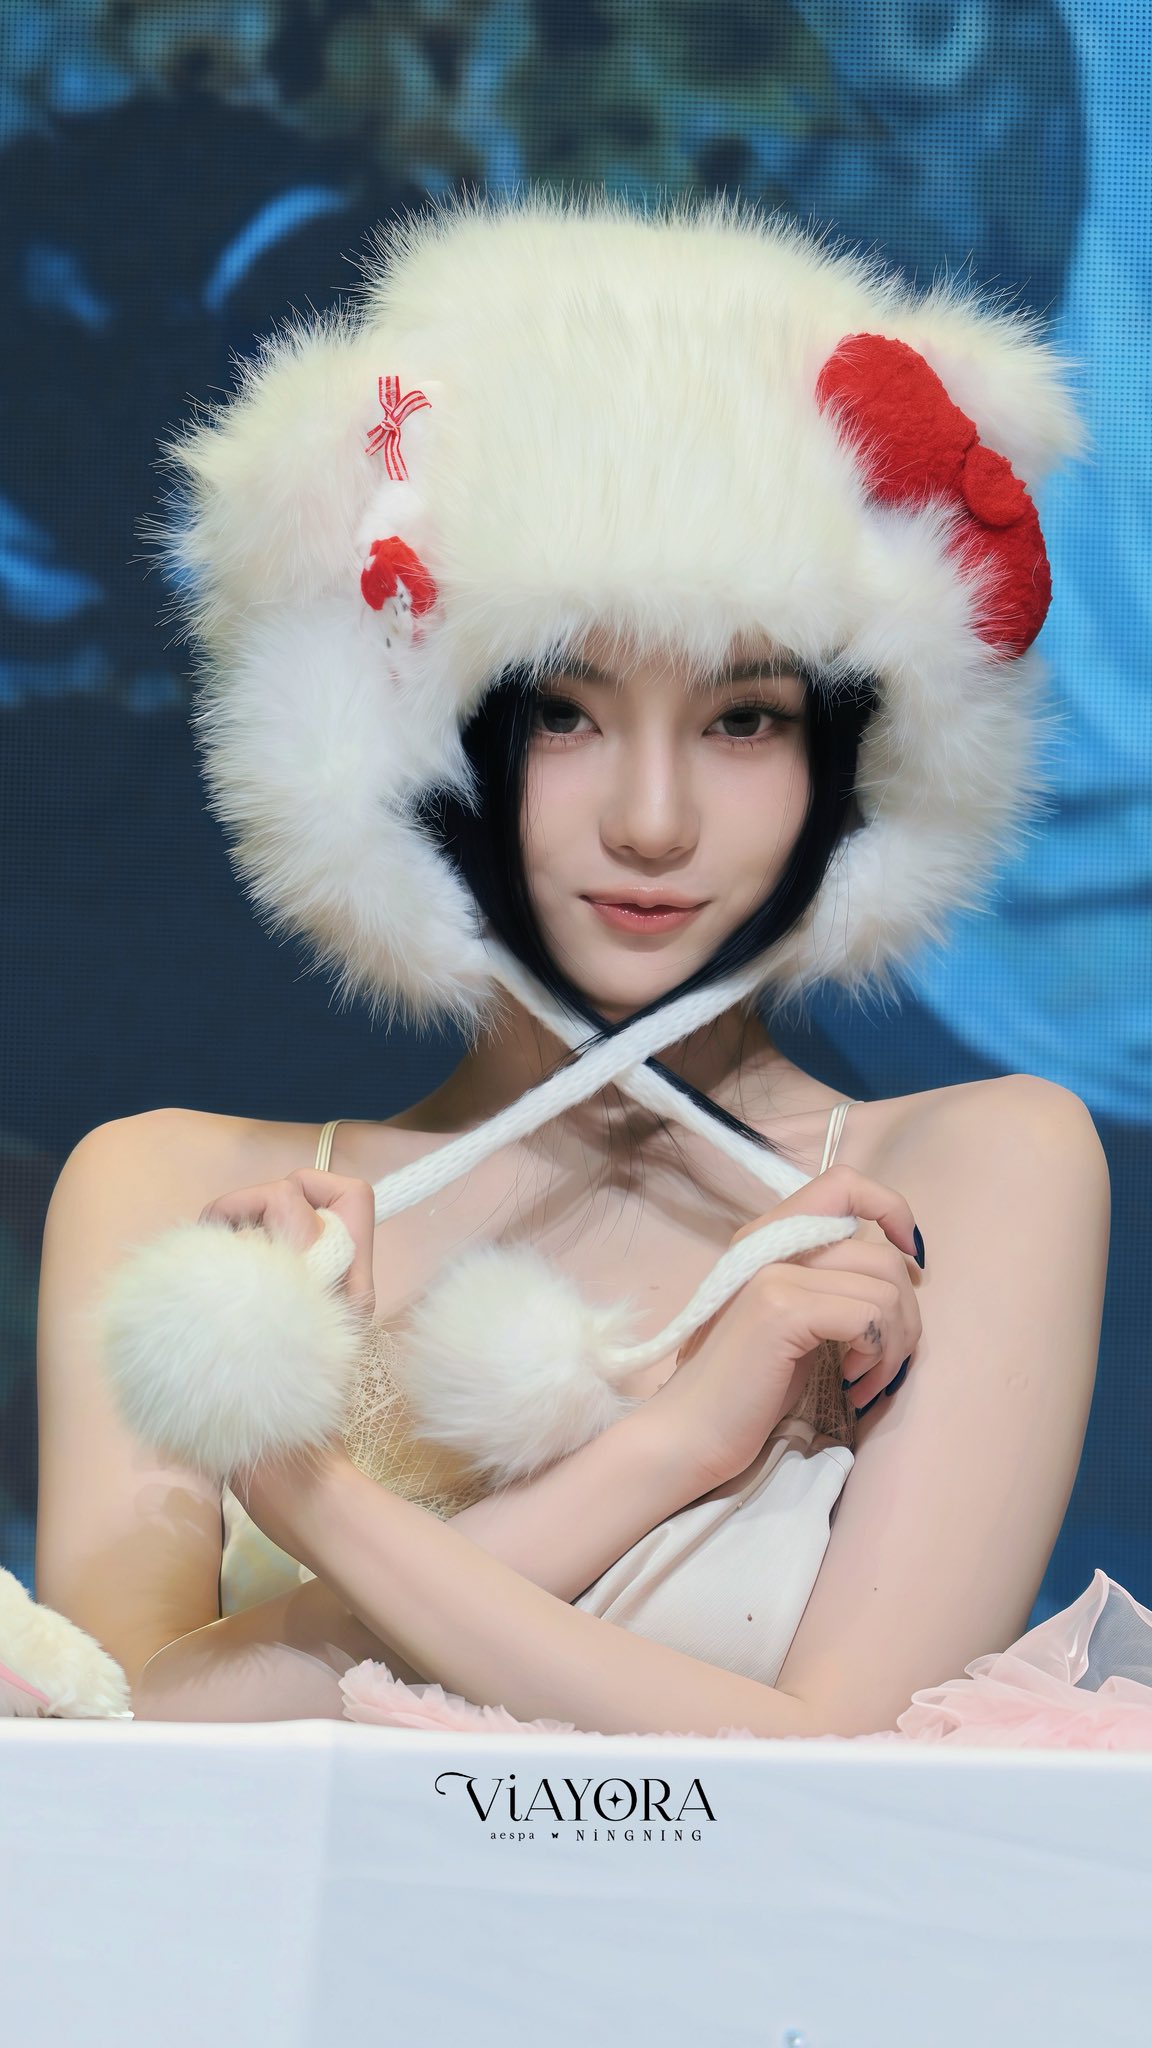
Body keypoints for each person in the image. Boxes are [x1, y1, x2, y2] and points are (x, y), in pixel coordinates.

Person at [14, 189, 1148, 1745]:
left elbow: (840, 1784)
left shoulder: (972, 1172)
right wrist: (667, 1448)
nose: (654, 822)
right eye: (562, 710)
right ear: (404, 730)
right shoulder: (178, 1206)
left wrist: (312, 1495)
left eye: (745, 718)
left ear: (853, 755)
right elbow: (130, 1760)